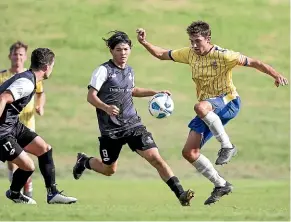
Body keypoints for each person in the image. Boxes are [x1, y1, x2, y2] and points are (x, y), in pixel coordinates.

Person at [136, 21, 288, 205]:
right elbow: (161, 54)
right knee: (189, 152)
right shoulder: (190, 54)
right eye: (191, 41)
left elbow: (254, 62)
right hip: (208, 107)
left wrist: (276, 75)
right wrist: (144, 43)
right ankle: (221, 184)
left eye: (197, 41)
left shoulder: (224, 55)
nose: (194, 45)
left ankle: (227, 146)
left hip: (228, 101)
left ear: (208, 39)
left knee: (200, 107)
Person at [72, 31, 194, 206]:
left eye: (126, 49)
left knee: (155, 158)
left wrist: (155, 92)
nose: (123, 53)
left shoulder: (129, 71)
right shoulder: (103, 71)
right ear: (111, 51)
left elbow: (132, 90)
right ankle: (84, 162)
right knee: (109, 170)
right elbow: (91, 96)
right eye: (119, 50)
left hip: (132, 125)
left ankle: (181, 194)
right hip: (111, 130)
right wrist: (105, 107)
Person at [0, 47, 77, 204]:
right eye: (53, 66)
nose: (52, 70)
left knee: (44, 149)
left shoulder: (29, 79)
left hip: (13, 124)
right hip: (2, 131)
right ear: (47, 67)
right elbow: (3, 98)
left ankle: (52, 193)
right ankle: (15, 193)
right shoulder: (26, 83)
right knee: (28, 166)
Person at [0, 41, 46, 198]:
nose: (17, 57)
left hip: (26, 122)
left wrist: (40, 106)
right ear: (9, 56)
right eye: (15, 54)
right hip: (6, 123)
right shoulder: (3, 76)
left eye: (20, 54)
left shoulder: (32, 76)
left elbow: (40, 93)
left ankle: (27, 192)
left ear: (25, 57)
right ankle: (17, 190)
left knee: (28, 159)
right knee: (13, 161)